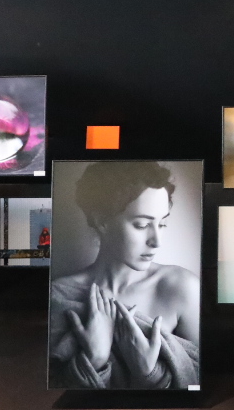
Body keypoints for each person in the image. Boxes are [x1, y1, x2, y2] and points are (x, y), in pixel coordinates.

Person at [48, 161, 199, 388]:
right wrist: (95, 359)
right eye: (142, 225)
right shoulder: (59, 296)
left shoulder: (182, 288)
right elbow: (55, 392)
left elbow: (200, 384)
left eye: (162, 224)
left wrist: (150, 373)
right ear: (101, 221)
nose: (156, 241)